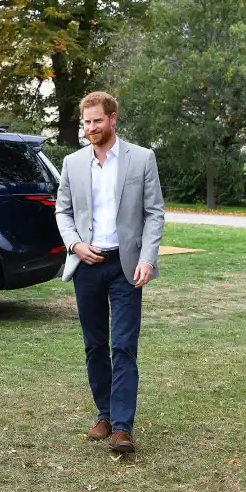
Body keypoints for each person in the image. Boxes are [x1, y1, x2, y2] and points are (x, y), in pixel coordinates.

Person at [55, 92, 166, 454]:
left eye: (97, 121)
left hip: (126, 266)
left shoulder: (142, 158)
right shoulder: (72, 163)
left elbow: (154, 213)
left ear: (113, 118)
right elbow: (63, 212)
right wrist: (74, 245)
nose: (90, 128)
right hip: (87, 264)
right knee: (95, 346)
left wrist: (147, 259)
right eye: (86, 122)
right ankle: (103, 415)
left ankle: (122, 426)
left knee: (123, 346)